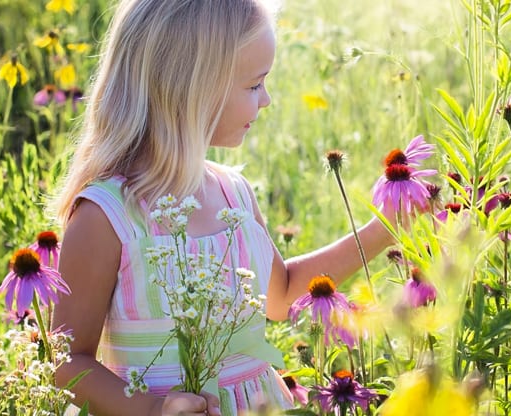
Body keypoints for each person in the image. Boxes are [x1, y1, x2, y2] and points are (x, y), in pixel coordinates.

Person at [51, 1, 399, 415]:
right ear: (192, 88)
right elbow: (66, 363)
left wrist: (386, 227)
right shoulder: (107, 216)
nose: (266, 100)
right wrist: (155, 409)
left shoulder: (234, 192)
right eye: (254, 85)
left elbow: (281, 295)